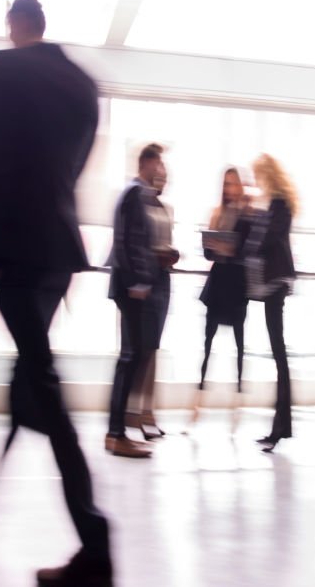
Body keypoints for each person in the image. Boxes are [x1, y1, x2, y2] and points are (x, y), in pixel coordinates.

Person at [0, 0, 112, 586]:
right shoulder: (82, 81)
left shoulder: (5, 69)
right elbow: (74, 164)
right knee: (33, 380)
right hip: (59, 248)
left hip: (19, 249)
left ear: (14, 26)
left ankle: (95, 540)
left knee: (45, 390)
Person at [106, 143, 166, 458]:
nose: (161, 170)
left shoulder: (135, 193)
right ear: (148, 163)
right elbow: (126, 241)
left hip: (131, 287)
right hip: (130, 288)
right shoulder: (133, 193)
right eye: (159, 163)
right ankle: (116, 433)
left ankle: (118, 432)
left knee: (131, 357)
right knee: (129, 358)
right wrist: (138, 282)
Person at [191, 167, 251, 427]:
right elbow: (208, 253)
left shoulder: (248, 214)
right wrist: (214, 246)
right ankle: (198, 401)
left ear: (240, 185)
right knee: (207, 343)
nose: (229, 189)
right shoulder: (217, 213)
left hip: (237, 283)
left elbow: (248, 252)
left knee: (239, 343)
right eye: (225, 184)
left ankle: (237, 404)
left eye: (233, 184)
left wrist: (231, 250)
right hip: (218, 281)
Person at [246, 154, 297, 453]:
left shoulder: (279, 205)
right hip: (273, 285)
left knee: (279, 354)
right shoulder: (276, 205)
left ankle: (279, 429)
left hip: (274, 284)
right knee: (278, 354)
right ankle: (280, 428)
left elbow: (264, 242)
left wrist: (246, 242)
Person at [125, 167, 177, 440]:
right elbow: (137, 244)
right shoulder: (138, 203)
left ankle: (148, 412)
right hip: (145, 280)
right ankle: (132, 412)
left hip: (163, 279)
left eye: (165, 175)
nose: (163, 180)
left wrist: (172, 254)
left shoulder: (166, 209)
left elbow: (166, 243)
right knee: (140, 348)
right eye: (159, 174)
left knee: (153, 348)